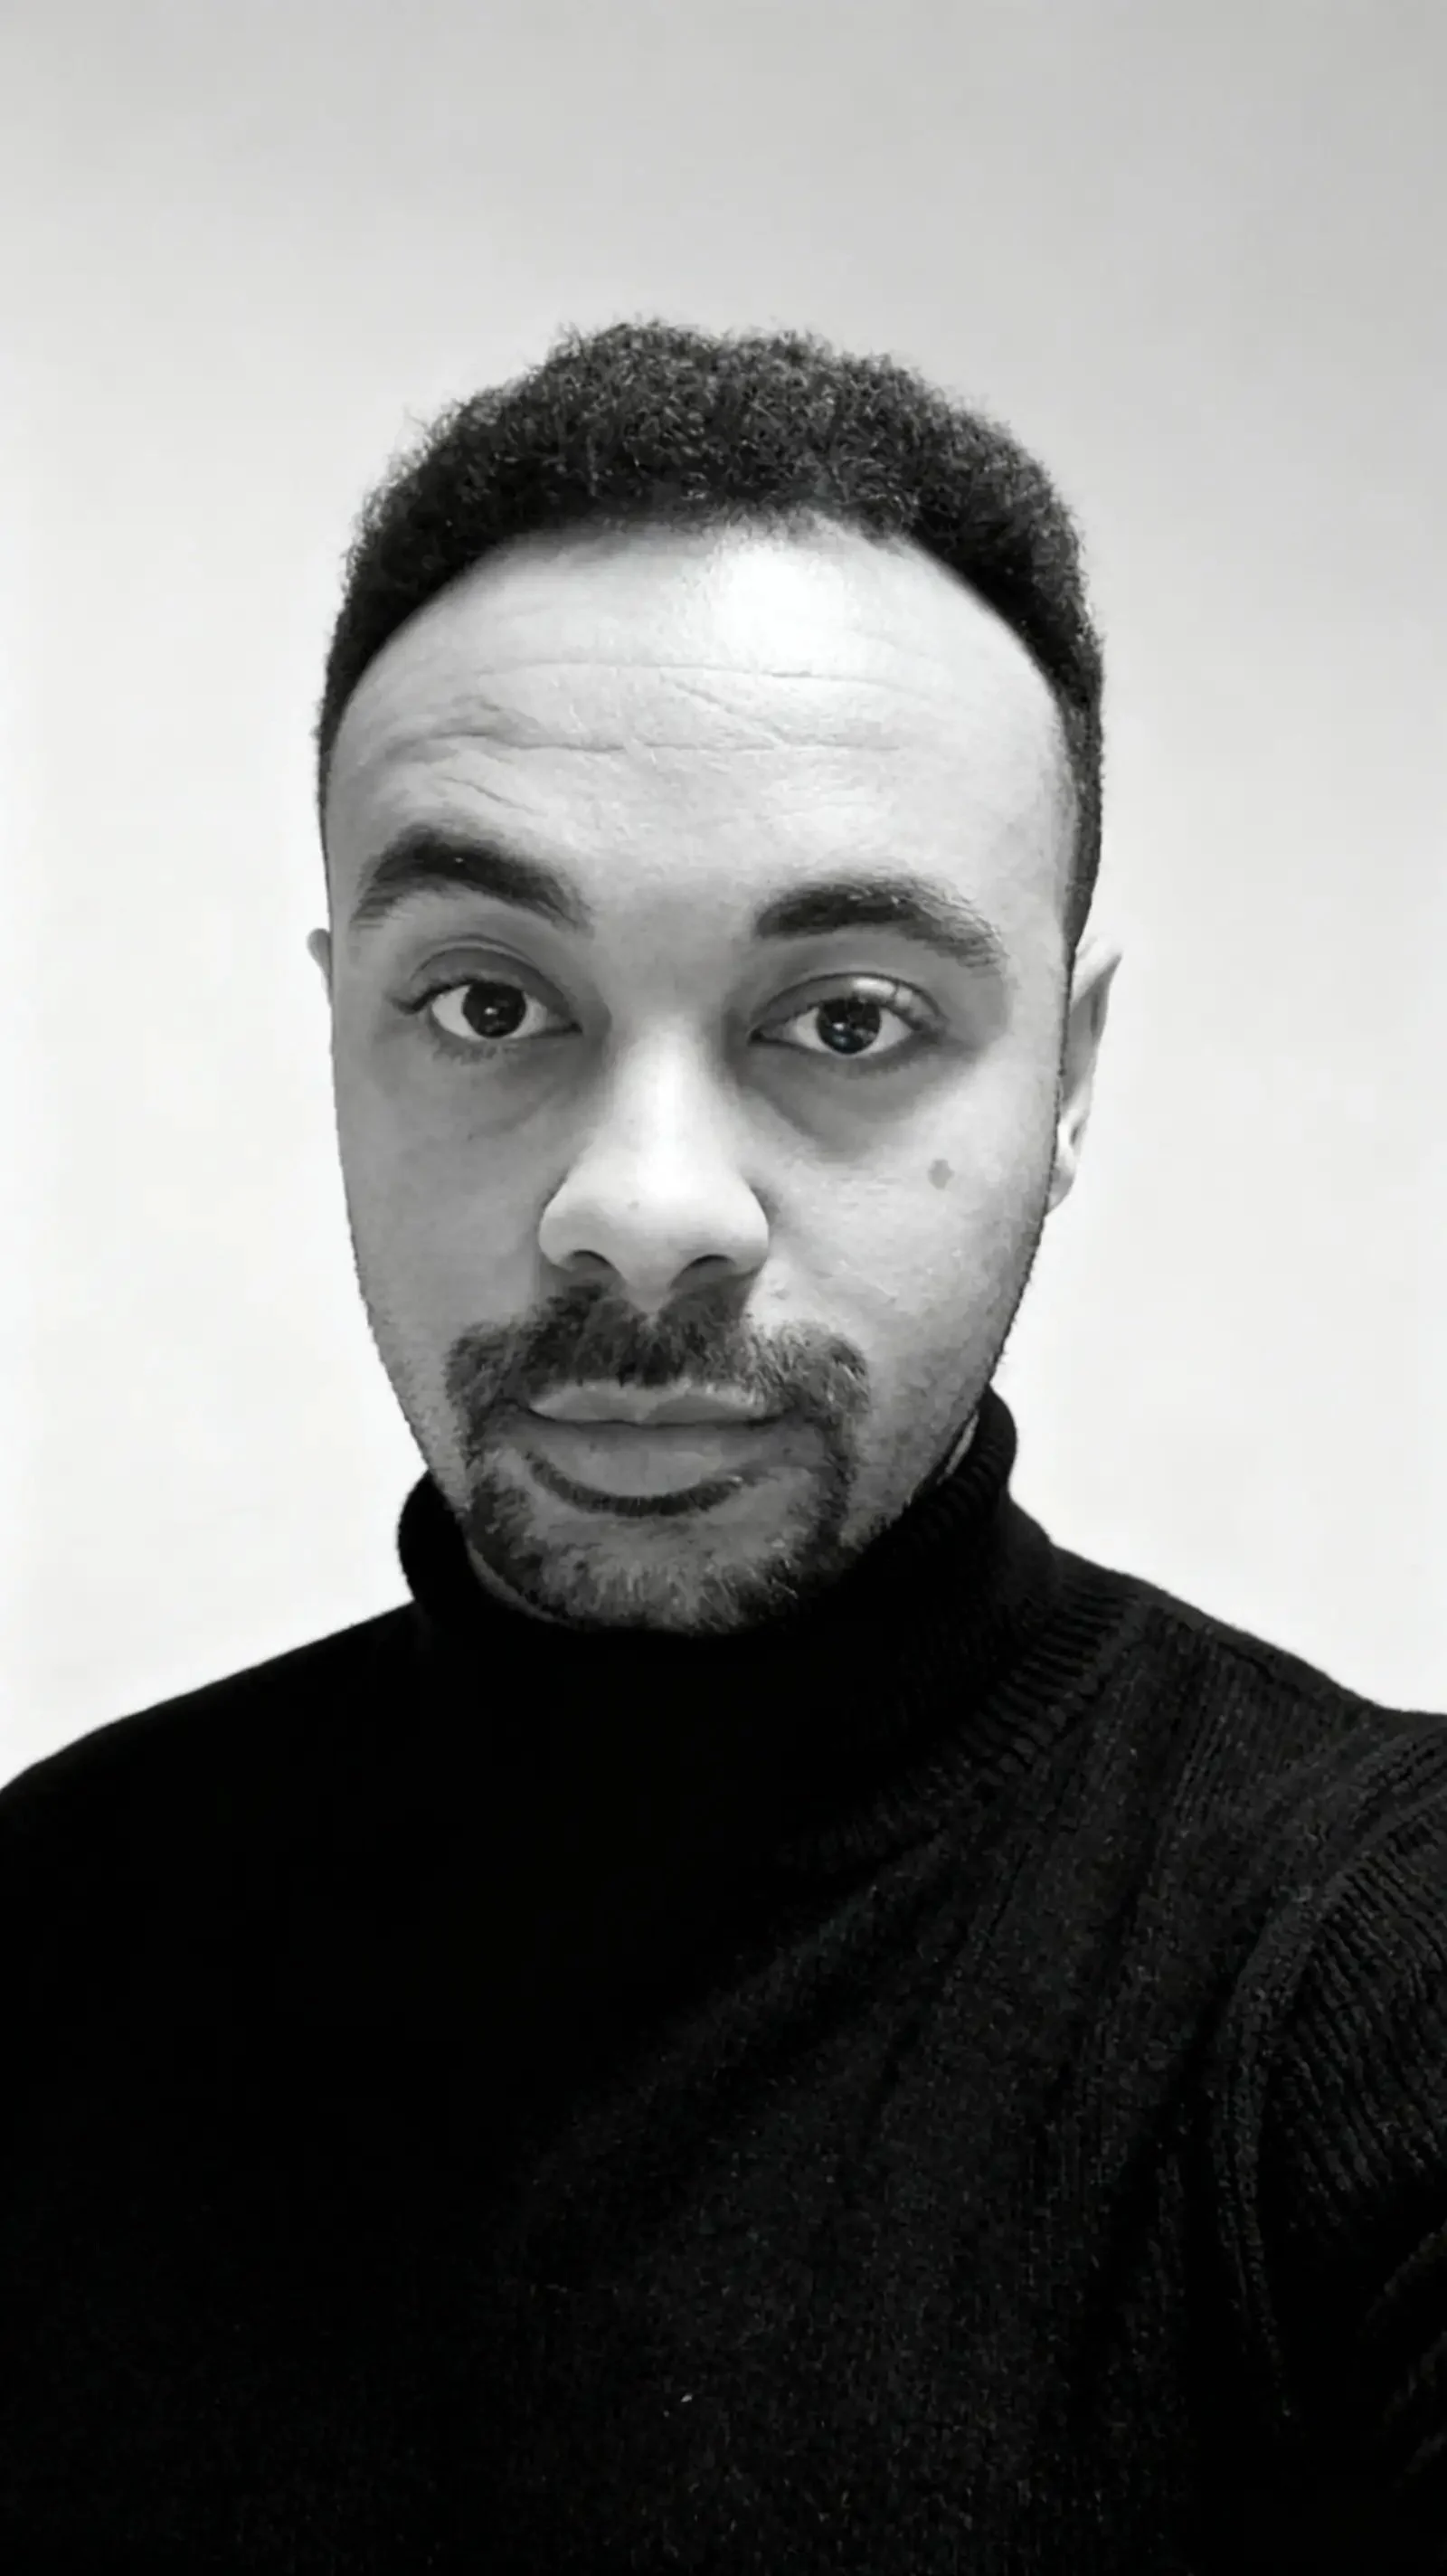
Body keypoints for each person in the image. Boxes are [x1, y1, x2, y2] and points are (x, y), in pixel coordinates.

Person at [2, 320, 1442, 2573]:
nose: (640, 1207)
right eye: (488, 999)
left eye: (845, 1017)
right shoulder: (51, 1932)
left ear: (1061, 1081)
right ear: (342, 1036)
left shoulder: (1366, 1982)